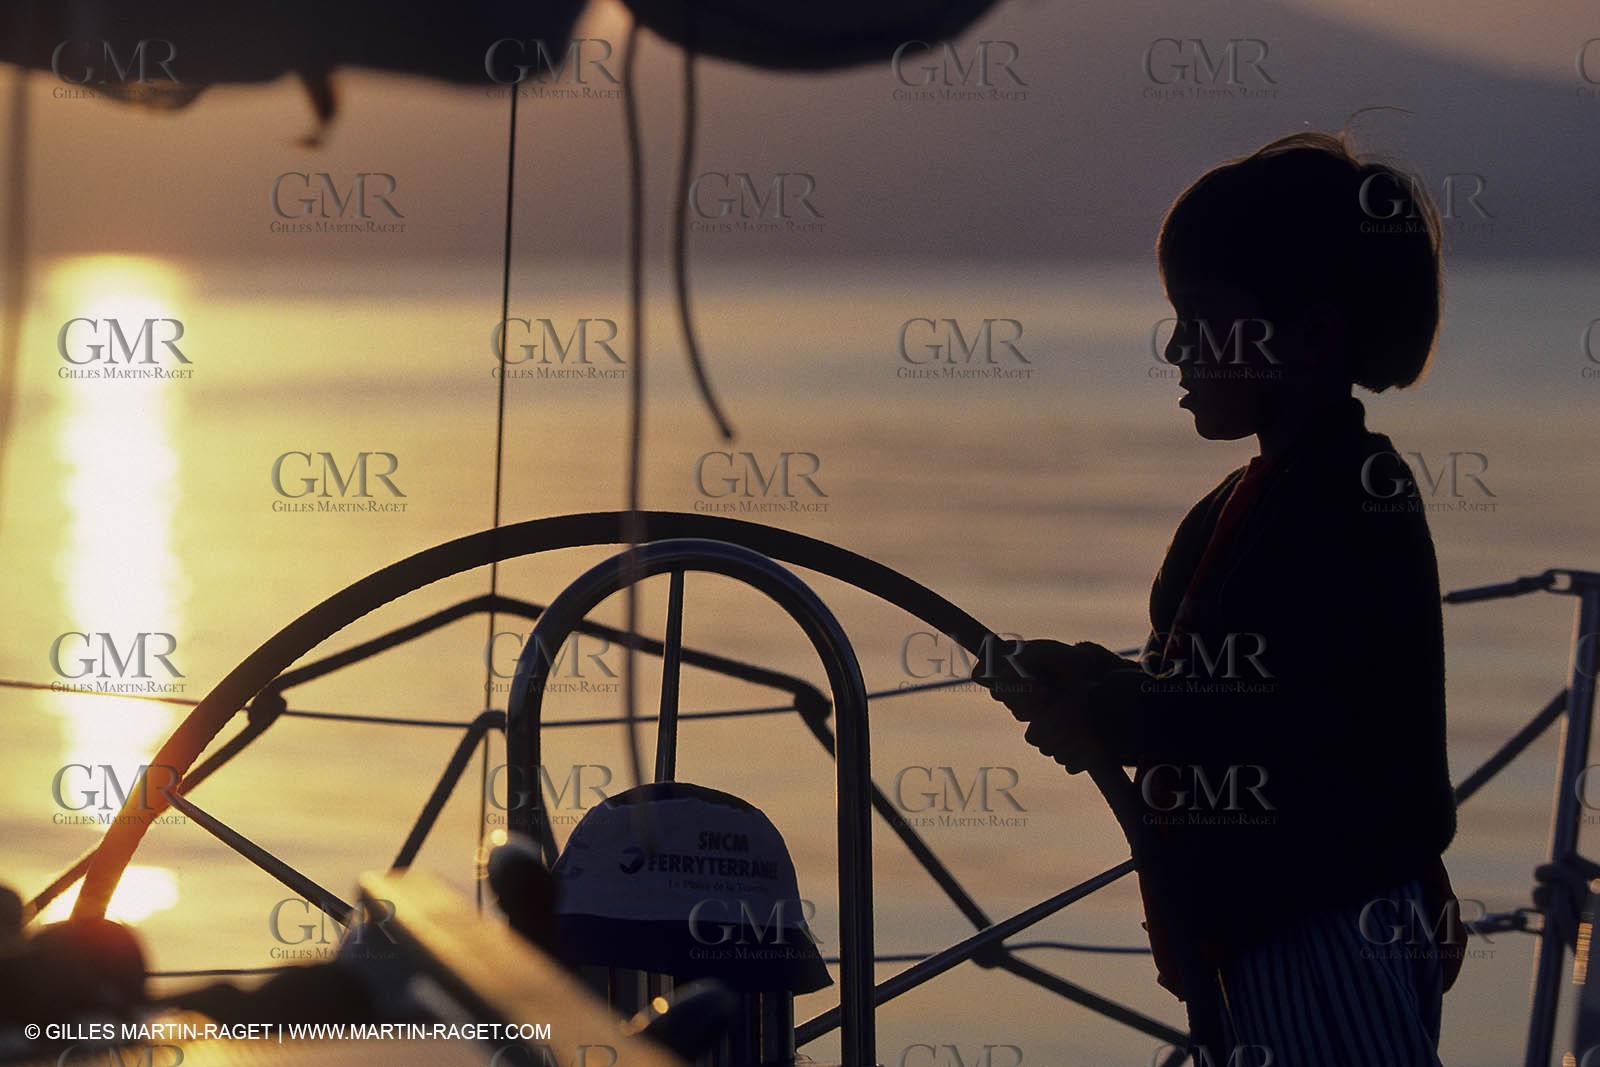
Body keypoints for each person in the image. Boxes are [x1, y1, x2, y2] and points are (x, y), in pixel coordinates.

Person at [976, 131, 1460, 1065]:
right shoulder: (1259, 502)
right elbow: (1218, 690)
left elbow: (1275, 712)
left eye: (1200, 320)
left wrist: (1112, 711)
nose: (1175, 350)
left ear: (1310, 338)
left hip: (1319, 930)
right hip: (1273, 933)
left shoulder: (1344, 499)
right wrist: (1092, 679)